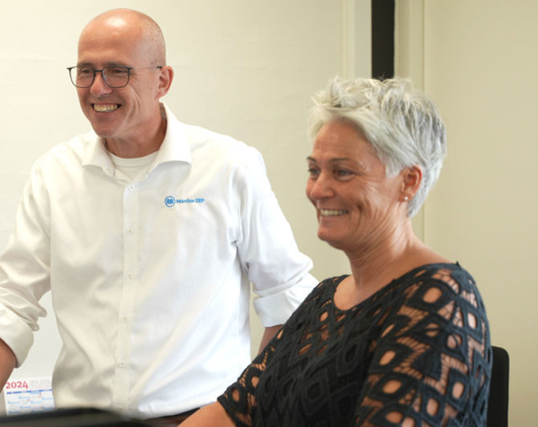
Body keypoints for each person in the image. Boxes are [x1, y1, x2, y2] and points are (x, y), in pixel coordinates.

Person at [0, 8, 318, 423]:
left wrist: (244, 408)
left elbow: (291, 300)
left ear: (162, 80)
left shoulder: (228, 166)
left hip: (200, 418)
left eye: (116, 71)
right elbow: (9, 305)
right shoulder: (55, 174)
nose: (97, 87)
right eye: (86, 71)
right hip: (83, 417)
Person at [181, 77, 492, 427]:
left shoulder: (441, 298)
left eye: (342, 172)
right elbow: (236, 410)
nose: (318, 189)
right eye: (314, 170)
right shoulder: (325, 296)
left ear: (409, 182)